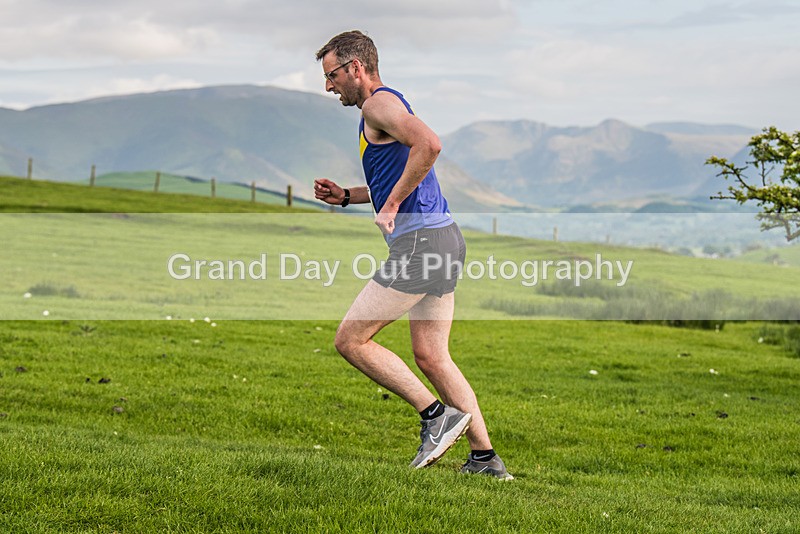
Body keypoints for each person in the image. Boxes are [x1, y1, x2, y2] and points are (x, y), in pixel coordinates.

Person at [313, 30, 512, 480]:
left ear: (355, 68)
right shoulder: (389, 105)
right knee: (432, 357)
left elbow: (431, 145)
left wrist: (391, 204)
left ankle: (434, 417)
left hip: (421, 244)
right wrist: (348, 196)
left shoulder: (376, 105)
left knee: (350, 340)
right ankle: (485, 459)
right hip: (445, 240)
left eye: (331, 76)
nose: (329, 86)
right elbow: (402, 173)